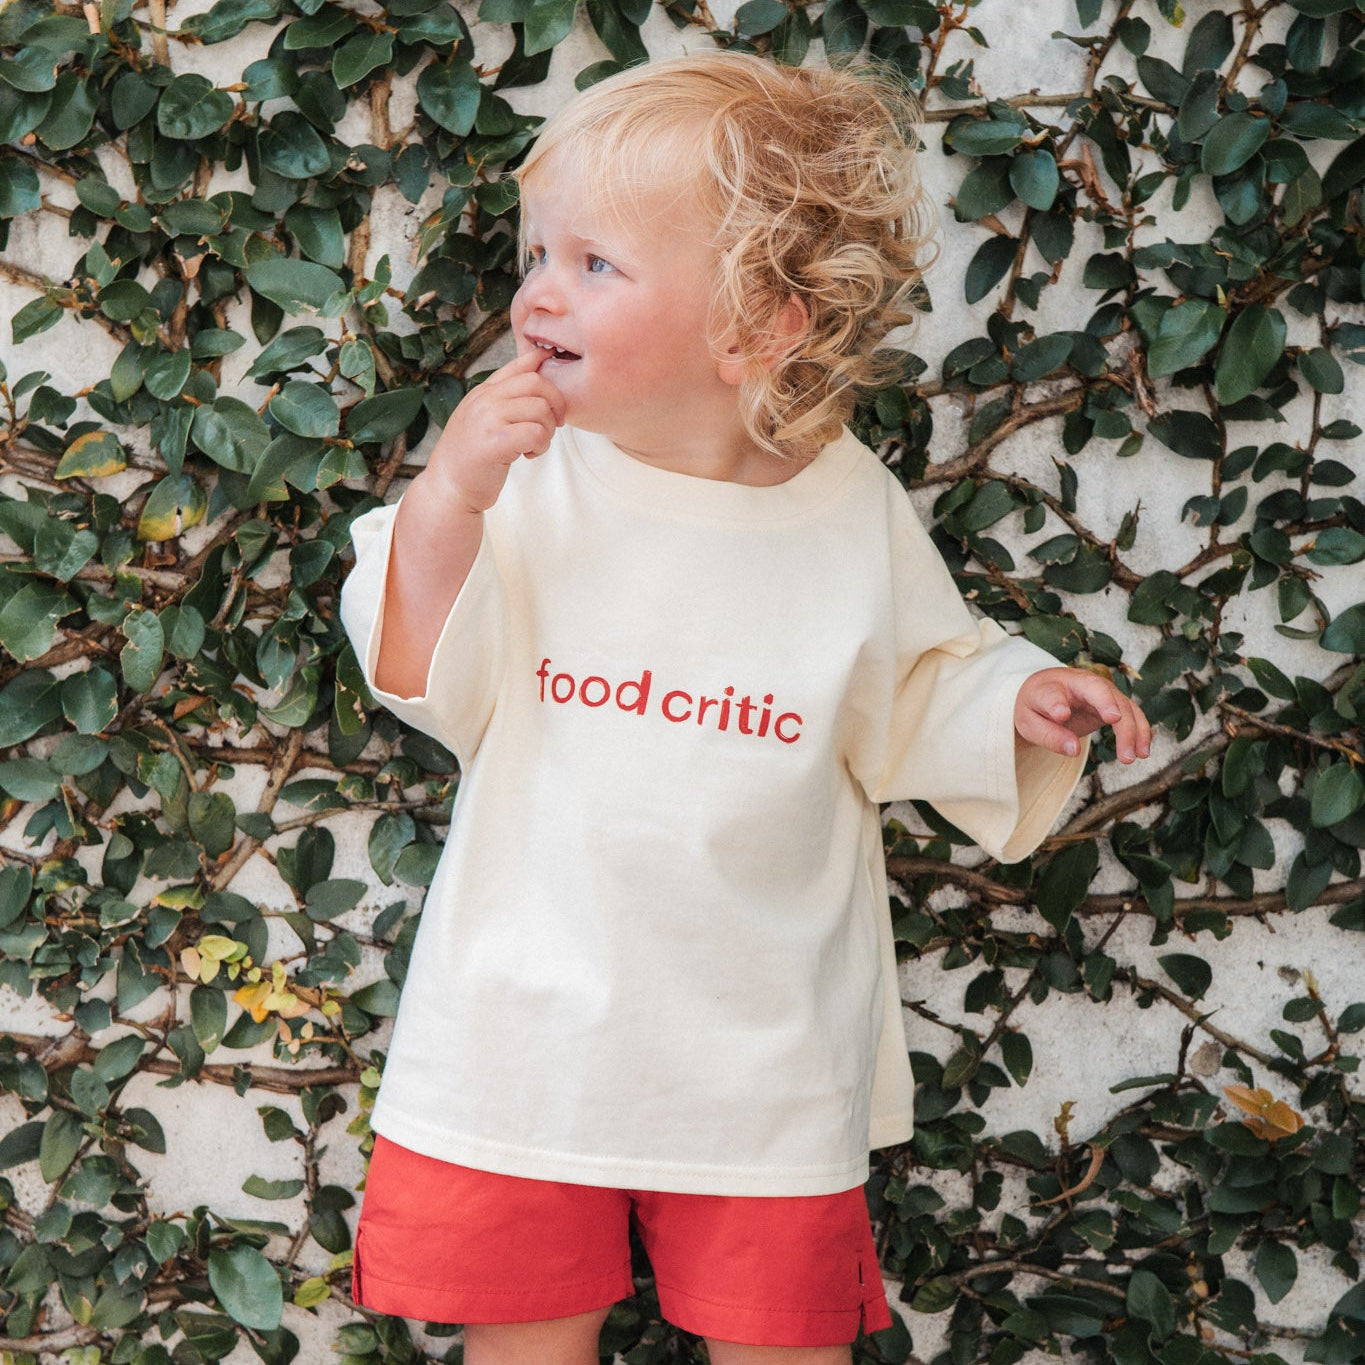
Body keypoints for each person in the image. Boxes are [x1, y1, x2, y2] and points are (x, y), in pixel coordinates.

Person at [338, 51, 1152, 1365]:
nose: (538, 291)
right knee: (522, 1341)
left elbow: (909, 686)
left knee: (782, 1341)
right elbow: (423, 663)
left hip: (762, 1050)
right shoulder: (527, 483)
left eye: (595, 263)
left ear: (758, 324)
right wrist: (447, 496)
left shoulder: (846, 507)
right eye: (537, 253)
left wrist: (1012, 698)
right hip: (528, 1030)